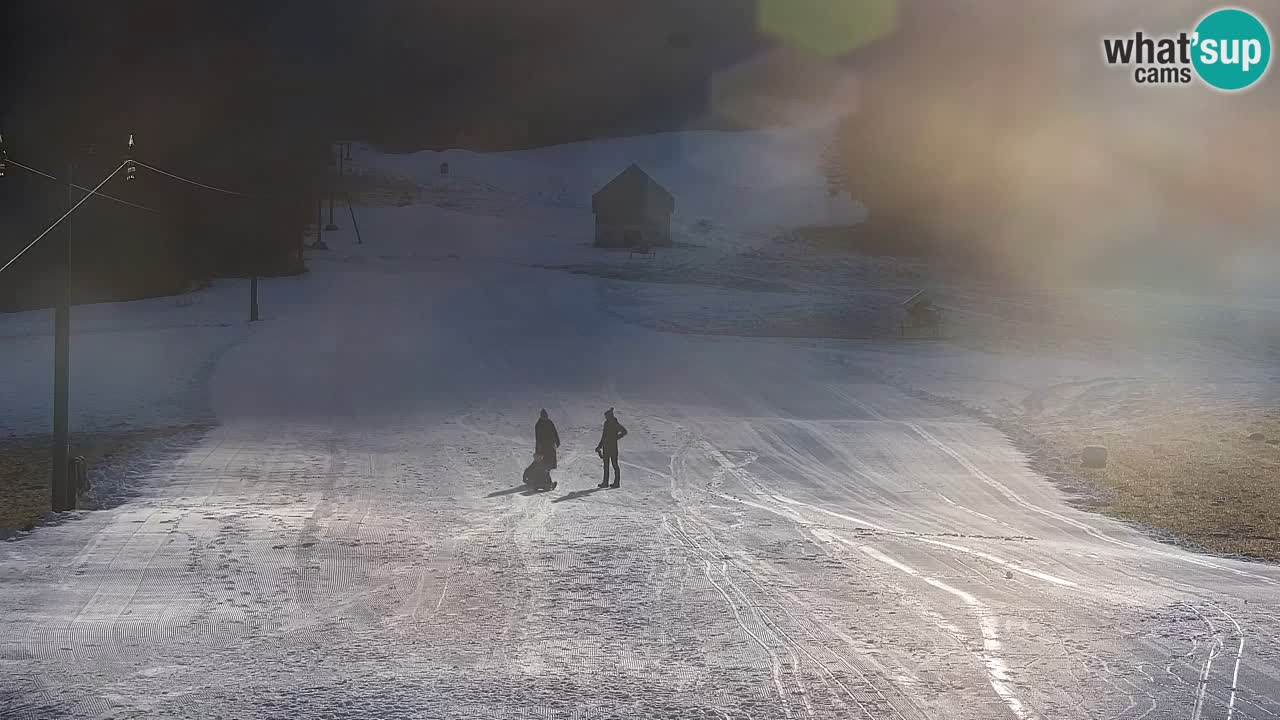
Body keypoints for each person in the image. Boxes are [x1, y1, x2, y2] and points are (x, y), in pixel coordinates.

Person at [595, 407, 627, 489]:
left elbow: (624, 431)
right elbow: (604, 436)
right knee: (606, 466)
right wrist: (599, 446)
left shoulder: (615, 424)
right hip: (606, 447)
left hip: (613, 448)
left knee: (614, 465)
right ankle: (605, 482)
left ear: (610, 416)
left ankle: (616, 483)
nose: (605, 417)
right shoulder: (606, 423)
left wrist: (616, 437)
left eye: (606, 416)